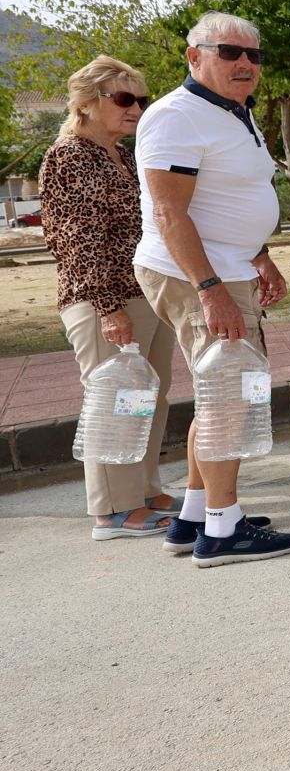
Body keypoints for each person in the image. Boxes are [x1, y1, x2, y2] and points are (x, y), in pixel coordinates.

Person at [135, 13, 290, 567]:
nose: (245, 63)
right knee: (231, 398)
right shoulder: (176, 116)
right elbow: (169, 213)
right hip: (197, 274)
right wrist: (210, 289)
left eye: (254, 55)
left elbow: (229, 197)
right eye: (229, 52)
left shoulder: (233, 111)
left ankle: (194, 517)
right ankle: (223, 530)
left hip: (230, 267)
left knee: (221, 394)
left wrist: (260, 253)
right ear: (194, 57)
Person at [41, 56, 177, 539]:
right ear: (85, 102)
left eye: (141, 99)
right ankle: (114, 511)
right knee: (117, 401)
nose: (136, 108)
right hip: (106, 299)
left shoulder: (121, 154)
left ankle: (144, 490)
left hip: (145, 292)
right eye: (123, 98)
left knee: (148, 398)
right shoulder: (70, 156)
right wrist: (108, 307)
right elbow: (78, 240)